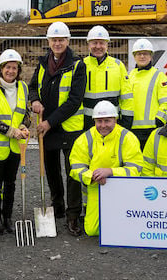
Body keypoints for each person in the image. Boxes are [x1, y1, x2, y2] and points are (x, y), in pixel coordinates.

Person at [28, 21, 86, 236]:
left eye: (61, 39)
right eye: (54, 39)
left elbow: (74, 100)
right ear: (49, 42)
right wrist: (34, 100)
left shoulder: (78, 65)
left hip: (69, 128)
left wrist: (49, 122)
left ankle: (73, 215)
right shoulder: (43, 63)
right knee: (51, 170)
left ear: (68, 41)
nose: (58, 43)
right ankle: (58, 207)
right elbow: (33, 87)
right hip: (48, 129)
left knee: (73, 173)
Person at [69, 101, 144, 236]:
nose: (103, 125)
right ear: (94, 121)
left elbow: (136, 168)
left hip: (122, 192)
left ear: (115, 119)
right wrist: (91, 176)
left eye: (107, 121)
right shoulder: (85, 138)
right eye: (99, 121)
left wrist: (111, 172)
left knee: (124, 229)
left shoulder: (127, 138)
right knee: (92, 231)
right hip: (96, 190)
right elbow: (75, 167)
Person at [0, 49, 30, 234]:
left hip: (15, 148)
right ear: (1, 69)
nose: (11, 71)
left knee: (11, 183)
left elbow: (26, 113)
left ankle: (8, 216)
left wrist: (24, 126)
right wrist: (11, 131)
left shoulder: (23, 88)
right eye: (7, 67)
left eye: (14, 68)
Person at [82, 25, 133, 130]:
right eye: (94, 43)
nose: (98, 46)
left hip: (112, 122)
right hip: (87, 122)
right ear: (88, 44)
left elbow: (126, 95)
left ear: (107, 44)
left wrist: (127, 120)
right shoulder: (81, 65)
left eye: (102, 43)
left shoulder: (118, 65)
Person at [128, 38, 167, 148]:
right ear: (134, 56)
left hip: (152, 129)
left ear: (151, 56)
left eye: (145, 54)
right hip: (131, 128)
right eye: (139, 54)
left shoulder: (159, 76)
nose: (142, 56)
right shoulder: (129, 76)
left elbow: (166, 102)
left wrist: (159, 121)